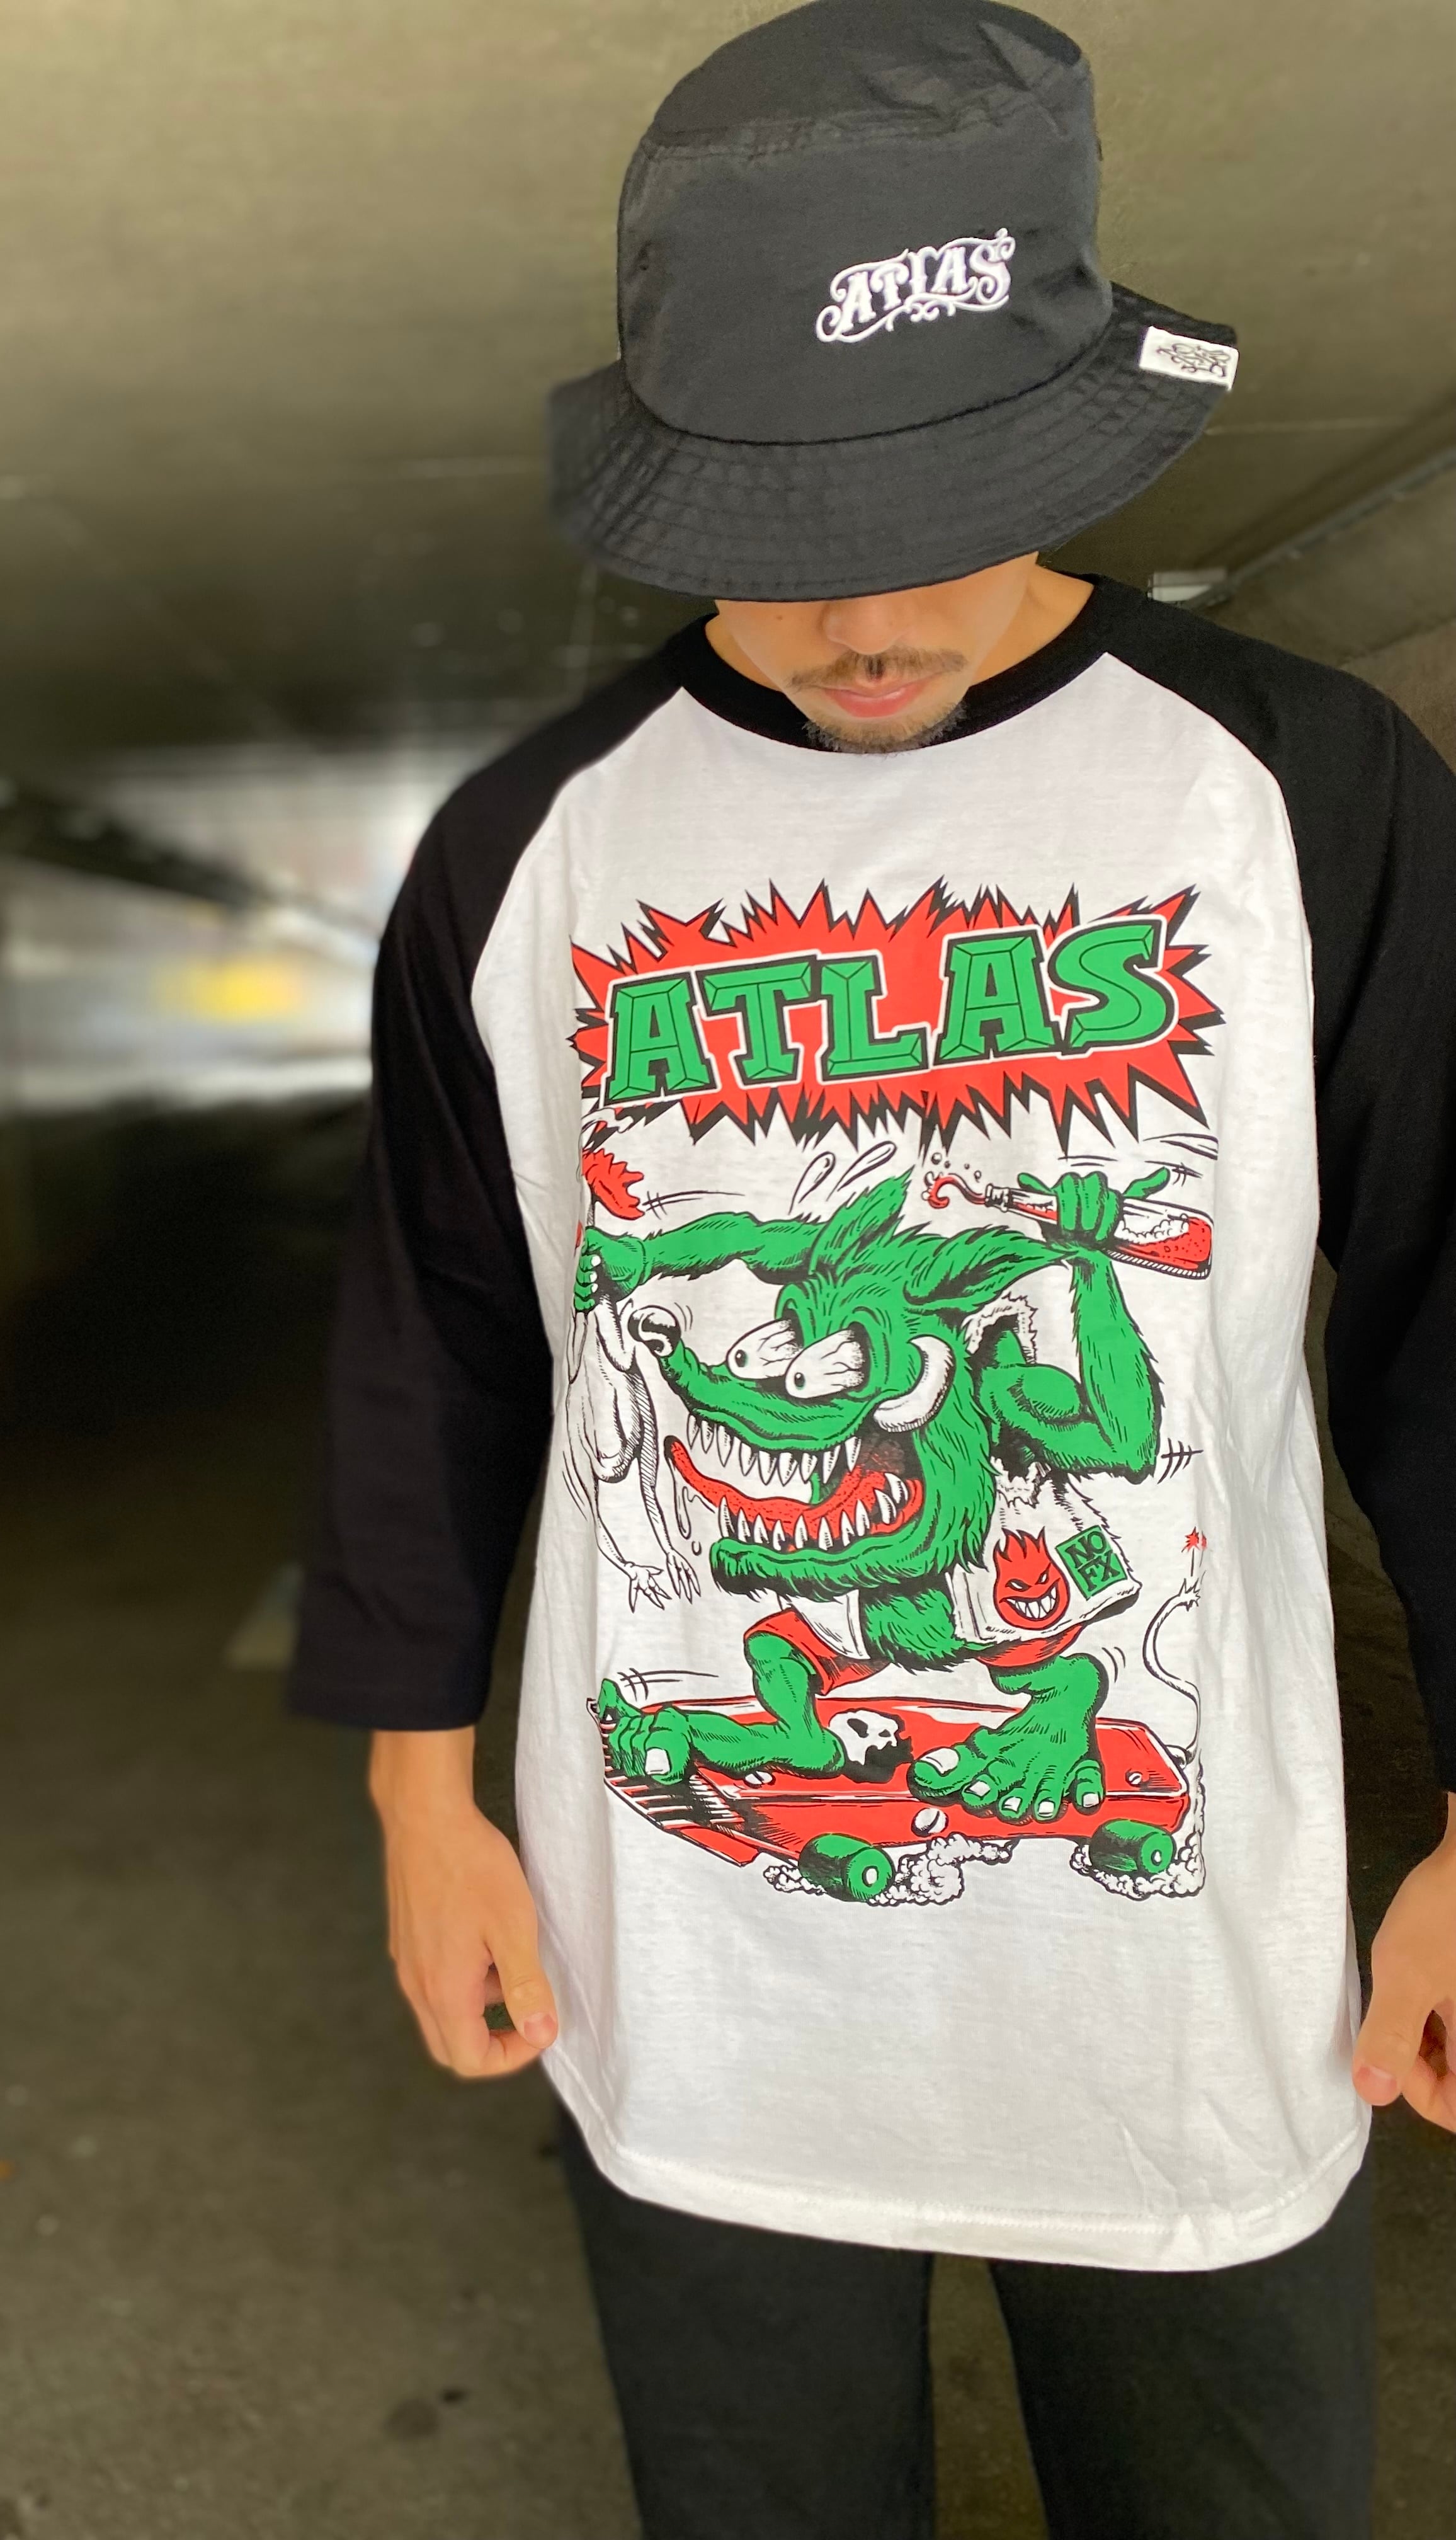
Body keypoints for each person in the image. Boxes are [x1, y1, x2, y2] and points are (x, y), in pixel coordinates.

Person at [289, 5, 1456, 2533]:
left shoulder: (1296, 787)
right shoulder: (533, 846)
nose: (859, 616)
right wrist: (419, 1795)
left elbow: (1447, 1312)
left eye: (946, 511)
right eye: (776, 531)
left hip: (1184, 1983)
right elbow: (441, 1340)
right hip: (691, 1979)